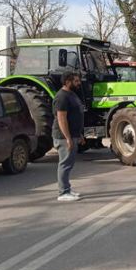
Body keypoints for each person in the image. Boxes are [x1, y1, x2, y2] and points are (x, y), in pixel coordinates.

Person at [52, 71, 85, 201]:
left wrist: (79, 134)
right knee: (65, 164)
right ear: (67, 82)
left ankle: (67, 188)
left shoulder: (71, 94)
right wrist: (68, 138)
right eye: (76, 81)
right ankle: (63, 193)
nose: (79, 83)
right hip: (63, 137)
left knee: (69, 163)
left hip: (73, 134)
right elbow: (62, 119)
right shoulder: (61, 97)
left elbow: (75, 116)